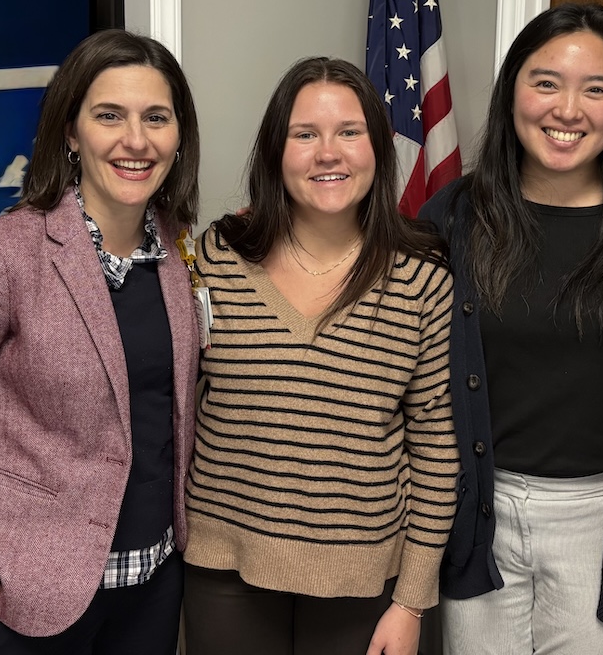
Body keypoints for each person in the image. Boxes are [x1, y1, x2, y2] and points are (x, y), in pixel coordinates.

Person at [0, 29, 202, 654]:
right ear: (70, 131)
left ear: (177, 137)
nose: (135, 140)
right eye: (108, 115)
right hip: (23, 604)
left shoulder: (178, 251)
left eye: (156, 118)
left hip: (153, 591)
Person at [182, 56, 459, 655]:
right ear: (275, 152)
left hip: (362, 582)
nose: (327, 152)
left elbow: (436, 447)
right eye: (304, 134)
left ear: (379, 150)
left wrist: (411, 601)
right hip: (223, 569)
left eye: (349, 133)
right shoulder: (217, 258)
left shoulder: (422, 279)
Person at [419, 2, 603, 654]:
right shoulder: (454, 217)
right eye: (546, 82)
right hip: (477, 516)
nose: (568, 109)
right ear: (512, 94)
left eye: (597, 88)